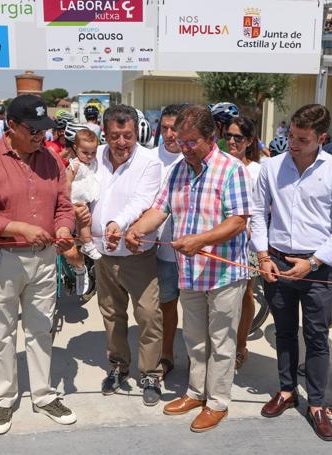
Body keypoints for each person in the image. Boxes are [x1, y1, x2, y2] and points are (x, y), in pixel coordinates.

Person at [126, 105, 252, 432]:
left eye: (191, 142)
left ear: (212, 138)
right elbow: (159, 210)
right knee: (195, 339)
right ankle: (196, 392)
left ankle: (217, 402)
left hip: (224, 275)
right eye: (180, 141)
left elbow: (238, 221)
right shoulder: (178, 171)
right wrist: (136, 230)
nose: (183, 148)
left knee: (221, 342)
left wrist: (201, 240)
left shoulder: (231, 170)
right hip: (190, 273)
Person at [0, 95, 77, 435]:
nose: (40, 137)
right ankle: (3, 399)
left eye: (43, 130)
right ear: (11, 127)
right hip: (3, 259)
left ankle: (43, 395)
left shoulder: (51, 160)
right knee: (2, 331)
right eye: (33, 130)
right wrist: (21, 228)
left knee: (41, 328)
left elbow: (64, 205)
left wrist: (62, 228)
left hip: (44, 259)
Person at [252, 104, 332, 441]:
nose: (293, 144)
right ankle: (286, 391)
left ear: (322, 138)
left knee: (316, 337)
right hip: (278, 263)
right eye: (290, 136)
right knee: (283, 332)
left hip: (318, 268)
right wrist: (263, 255)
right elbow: (256, 213)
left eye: (302, 139)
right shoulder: (271, 168)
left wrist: (311, 263)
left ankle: (316, 403)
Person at [88, 104, 164, 406]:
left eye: (128, 136)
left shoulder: (149, 162)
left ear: (136, 134)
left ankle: (150, 374)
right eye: (116, 136)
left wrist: (118, 223)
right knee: (111, 314)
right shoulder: (94, 158)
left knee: (148, 315)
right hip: (103, 254)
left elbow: (142, 200)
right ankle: (118, 366)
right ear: (105, 133)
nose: (122, 143)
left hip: (137, 254)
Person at [224, 117, 261, 369]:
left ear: (249, 141)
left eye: (238, 137)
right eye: (229, 135)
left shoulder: (258, 170)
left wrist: (251, 229)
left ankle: (240, 345)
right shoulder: (220, 165)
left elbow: (263, 206)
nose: (232, 141)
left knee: (246, 294)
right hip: (221, 239)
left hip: (247, 242)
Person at [151, 104, 185, 378]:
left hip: (195, 250)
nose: (169, 134)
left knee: (200, 312)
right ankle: (166, 354)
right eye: (165, 128)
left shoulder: (195, 157)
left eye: (175, 128)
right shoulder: (150, 159)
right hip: (162, 250)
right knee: (166, 304)